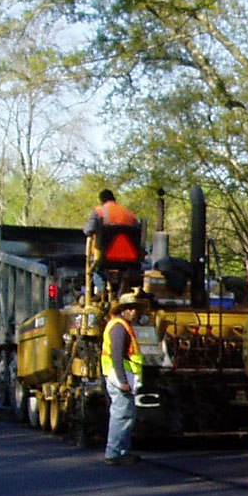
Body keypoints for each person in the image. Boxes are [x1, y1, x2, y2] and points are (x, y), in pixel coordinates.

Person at [101, 290, 149, 465]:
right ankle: (113, 453)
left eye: (135, 308)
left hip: (122, 378)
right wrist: (123, 381)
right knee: (121, 415)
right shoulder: (119, 327)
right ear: (122, 309)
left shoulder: (122, 325)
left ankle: (122, 451)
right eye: (129, 308)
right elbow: (117, 356)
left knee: (126, 415)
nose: (133, 312)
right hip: (119, 378)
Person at [85, 189, 142, 264]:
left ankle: (96, 275)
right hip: (129, 257)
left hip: (104, 256)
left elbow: (88, 230)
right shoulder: (129, 213)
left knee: (96, 267)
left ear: (101, 200)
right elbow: (138, 232)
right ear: (114, 199)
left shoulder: (99, 211)